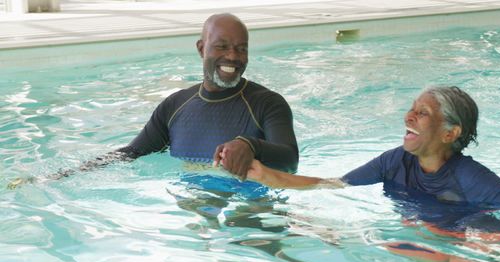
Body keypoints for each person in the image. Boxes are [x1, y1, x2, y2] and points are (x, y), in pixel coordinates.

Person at [241, 86, 500, 262]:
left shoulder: (471, 178)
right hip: (428, 229)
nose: (408, 117)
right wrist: (267, 175)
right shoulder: (395, 161)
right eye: (411, 110)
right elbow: (333, 184)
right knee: (344, 234)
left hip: (477, 233)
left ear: (449, 133)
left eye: (422, 113)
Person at [8, 13, 298, 189]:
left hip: (252, 211)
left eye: (241, 49)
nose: (232, 57)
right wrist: (58, 177)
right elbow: (129, 154)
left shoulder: (267, 103)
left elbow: (290, 158)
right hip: (192, 212)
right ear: (201, 48)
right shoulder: (175, 107)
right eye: (222, 46)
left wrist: (250, 145)